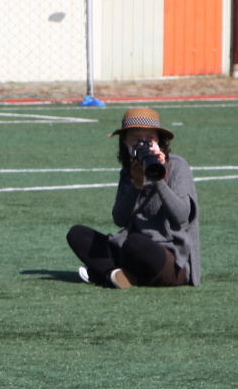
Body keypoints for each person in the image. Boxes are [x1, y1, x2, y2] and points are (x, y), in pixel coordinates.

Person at [66, 107, 200, 288]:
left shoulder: (177, 166)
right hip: (130, 248)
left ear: (159, 141)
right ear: (125, 142)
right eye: (136, 140)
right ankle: (114, 274)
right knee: (78, 234)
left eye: (149, 139)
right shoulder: (129, 171)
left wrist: (157, 179)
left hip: (170, 258)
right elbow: (119, 219)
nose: (143, 145)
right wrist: (136, 185)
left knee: (136, 243)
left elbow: (182, 216)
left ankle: (105, 271)